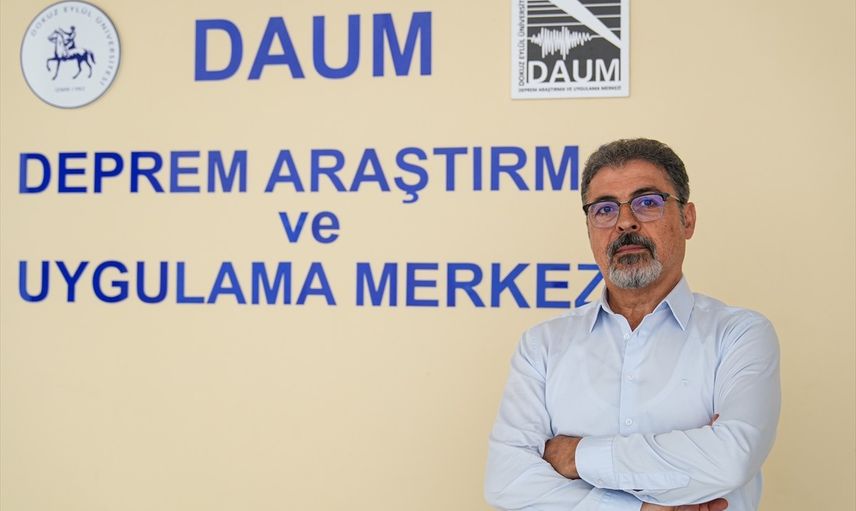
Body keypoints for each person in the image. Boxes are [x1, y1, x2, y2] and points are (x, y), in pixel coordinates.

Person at [484, 138, 780, 511]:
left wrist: (574, 456)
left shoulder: (739, 336)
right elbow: (506, 482)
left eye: (648, 202)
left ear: (687, 219)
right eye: (605, 209)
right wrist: (639, 507)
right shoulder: (542, 346)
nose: (625, 221)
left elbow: (731, 459)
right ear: (589, 229)